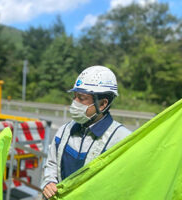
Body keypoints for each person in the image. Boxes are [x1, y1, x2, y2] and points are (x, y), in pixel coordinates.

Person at [41, 66, 131, 199]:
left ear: (102, 104)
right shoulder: (64, 130)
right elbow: (52, 164)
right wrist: (49, 181)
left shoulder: (121, 139)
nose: (74, 103)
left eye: (82, 98)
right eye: (75, 96)